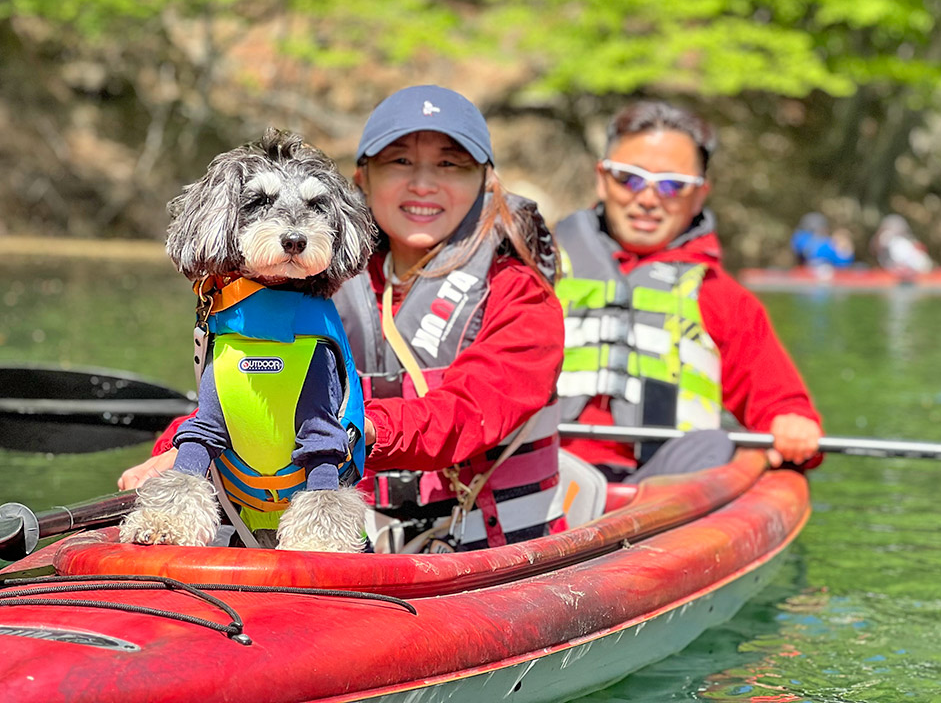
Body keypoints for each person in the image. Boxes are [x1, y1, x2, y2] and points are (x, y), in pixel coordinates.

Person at [120, 85, 566, 553]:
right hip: (352, 524)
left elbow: (474, 408)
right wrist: (181, 445)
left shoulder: (522, 290)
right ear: (364, 177)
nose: (423, 184)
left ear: (486, 181)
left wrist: (362, 428)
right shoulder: (309, 275)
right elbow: (243, 386)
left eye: (450, 164)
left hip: (484, 541)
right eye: (400, 162)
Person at [553, 101, 823, 481]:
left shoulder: (725, 300)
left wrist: (791, 425)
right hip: (541, 474)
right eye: (628, 178)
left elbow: (782, 406)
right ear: (602, 178)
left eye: (672, 185)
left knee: (716, 445)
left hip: (658, 490)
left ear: (699, 195)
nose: (647, 199)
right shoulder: (536, 272)